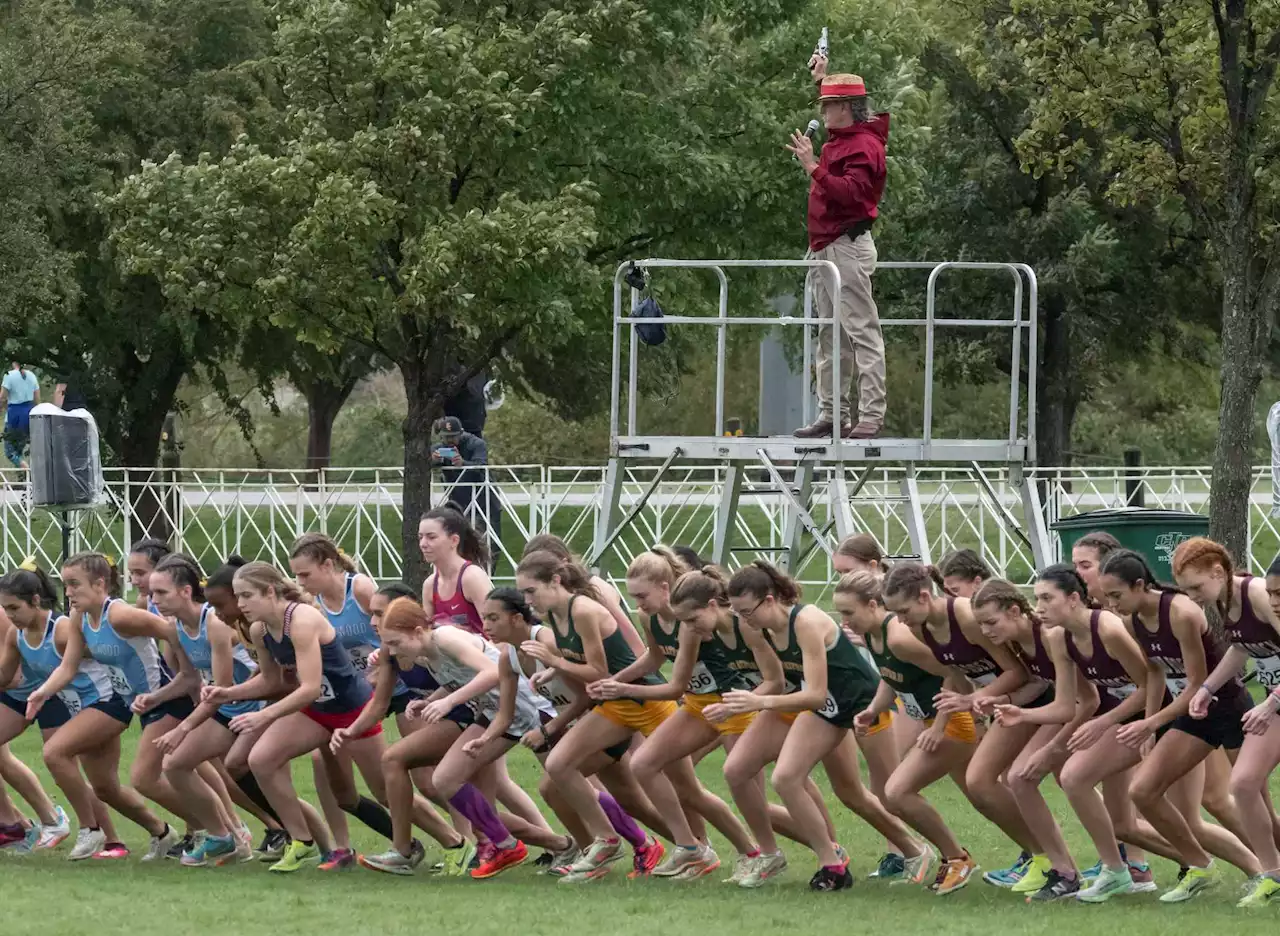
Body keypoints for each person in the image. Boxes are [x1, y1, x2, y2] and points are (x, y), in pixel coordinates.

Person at [718, 561, 925, 892]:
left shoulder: (806, 621)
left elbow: (812, 694)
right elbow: (785, 684)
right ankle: (832, 864)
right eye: (739, 614)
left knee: (873, 793)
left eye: (747, 611)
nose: (744, 620)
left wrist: (759, 703)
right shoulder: (764, 629)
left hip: (862, 704)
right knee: (785, 778)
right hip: (827, 708)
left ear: (769, 600)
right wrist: (742, 701)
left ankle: (919, 850)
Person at [355, 597, 565, 878]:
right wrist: (433, 698)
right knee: (457, 790)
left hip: (518, 711)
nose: (390, 652)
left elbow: (492, 672)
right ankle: (551, 845)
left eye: (395, 643)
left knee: (452, 783)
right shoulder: (425, 652)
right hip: (492, 714)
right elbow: (464, 679)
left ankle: (527, 845)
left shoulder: (445, 638)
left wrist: (449, 702)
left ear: (417, 631)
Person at [205, 561, 391, 872]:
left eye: (247, 595)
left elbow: (309, 687)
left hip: (352, 709)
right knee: (261, 759)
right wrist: (228, 693)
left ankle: (455, 841)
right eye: (237, 596)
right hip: (318, 711)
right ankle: (300, 840)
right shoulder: (260, 629)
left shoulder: (302, 619)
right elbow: (271, 681)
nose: (240, 605)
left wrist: (262, 718)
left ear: (269, 591)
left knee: (386, 790)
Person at [515, 549, 687, 883]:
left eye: (530, 590)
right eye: (523, 592)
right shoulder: (555, 612)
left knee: (685, 788)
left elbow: (597, 669)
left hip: (644, 701)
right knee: (558, 765)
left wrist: (553, 659)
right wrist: (550, 670)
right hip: (613, 704)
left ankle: (705, 848)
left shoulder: (582, 609)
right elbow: (575, 657)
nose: (526, 599)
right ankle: (606, 841)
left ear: (555, 580)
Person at [1100, 548, 1261, 902]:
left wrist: (1153, 722)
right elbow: (1156, 673)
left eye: (1116, 595)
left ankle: (1268, 872)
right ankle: (1199, 867)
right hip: (1189, 714)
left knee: (1251, 801)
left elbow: (1195, 682)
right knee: (1142, 791)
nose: (1111, 604)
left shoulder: (1180, 612)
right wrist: (1150, 726)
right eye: (1106, 597)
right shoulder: (1133, 622)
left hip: (1228, 708)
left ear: (1140, 585)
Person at [25, 552, 195, 860]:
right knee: (105, 787)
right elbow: (68, 666)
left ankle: (217, 830)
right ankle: (165, 833)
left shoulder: (120, 615)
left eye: (74, 584)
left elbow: (173, 630)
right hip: (132, 703)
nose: (69, 592)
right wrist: (41, 693)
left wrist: (188, 675)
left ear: (100, 583)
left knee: (63, 755)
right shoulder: (78, 617)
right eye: (65, 585)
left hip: (159, 699)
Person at [880, 563, 1035, 889]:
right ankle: (1043, 859)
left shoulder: (964, 616)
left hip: (1031, 697)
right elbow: (955, 673)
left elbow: (1019, 671)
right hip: (1001, 704)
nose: (899, 620)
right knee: (985, 784)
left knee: (994, 781)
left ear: (925, 596)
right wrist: (940, 724)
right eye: (893, 613)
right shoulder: (920, 627)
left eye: (903, 611)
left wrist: (974, 700)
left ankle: (1051, 860)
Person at [835, 571, 980, 895]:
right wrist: (874, 709)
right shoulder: (874, 636)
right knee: (983, 793)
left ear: (873, 605)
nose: (843, 620)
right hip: (934, 722)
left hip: (952, 722)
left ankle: (957, 858)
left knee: (897, 792)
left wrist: (940, 726)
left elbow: (953, 672)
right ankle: (1039, 855)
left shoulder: (898, 636)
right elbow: (891, 675)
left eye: (848, 612)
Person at [1173, 539, 1280, 907]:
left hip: (1275, 704)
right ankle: (1273, 875)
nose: (1191, 597)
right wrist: (1206, 687)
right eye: (1185, 590)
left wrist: (1271, 702)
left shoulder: (1262, 594)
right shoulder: (1223, 600)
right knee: (1244, 784)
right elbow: (1242, 646)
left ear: (1218, 572)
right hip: (1276, 706)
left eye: (1195, 587)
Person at [789, 58, 889, 441]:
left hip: (845, 247)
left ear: (845, 108)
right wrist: (822, 79)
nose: (822, 110)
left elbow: (851, 195)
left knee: (861, 331)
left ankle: (871, 415)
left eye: (828, 104)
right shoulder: (849, 138)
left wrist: (812, 166)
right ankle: (833, 414)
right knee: (831, 336)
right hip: (829, 247)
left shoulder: (863, 146)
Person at [148, 554, 256, 866]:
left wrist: (183, 728)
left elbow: (220, 690)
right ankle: (221, 836)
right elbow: (188, 678)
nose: (154, 601)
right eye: (152, 594)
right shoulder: (176, 627)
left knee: (265, 777)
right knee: (175, 765)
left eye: (161, 593)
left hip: (251, 707)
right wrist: (154, 699)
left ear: (185, 591)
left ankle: (300, 839)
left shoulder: (215, 624)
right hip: (227, 709)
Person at [0, 562, 90, 854]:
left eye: (13, 608)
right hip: (23, 693)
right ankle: (21, 824)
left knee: (63, 765)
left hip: (48, 692)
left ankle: (96, 830)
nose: (11, 614)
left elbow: (10, 675)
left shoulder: (10, 618)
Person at [431, 417, 499, 548]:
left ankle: (486, 569)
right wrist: (433, 460)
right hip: (457, 502)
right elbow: (422, 465)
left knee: (486, 543)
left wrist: (463, 464)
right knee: (458, 543)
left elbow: (481, 466)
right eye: (446, 437)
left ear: (461, 433)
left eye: (453, 437)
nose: (450, 441)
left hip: (483, 500)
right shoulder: (439, 448)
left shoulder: (476, 444)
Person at [1, 362, 40, 468]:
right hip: (29, 415)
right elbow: (37, 399)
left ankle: (28, 472)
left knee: (11, 452)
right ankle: (23, 480)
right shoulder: (32, 375)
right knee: (20, 450)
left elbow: (3, 397)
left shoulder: (8, 375)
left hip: (14, 416)